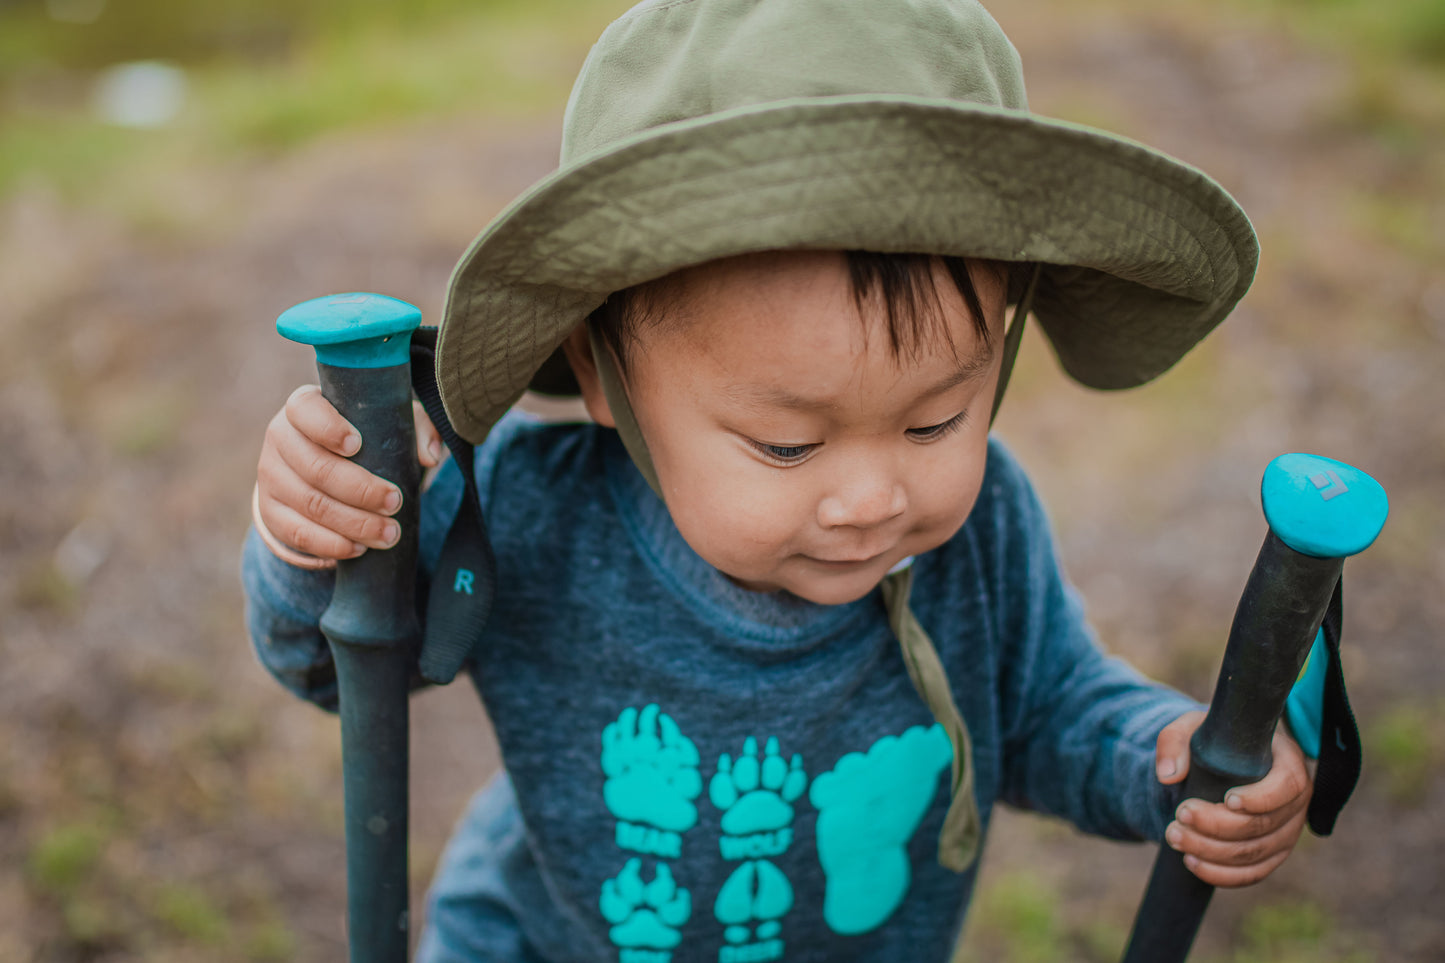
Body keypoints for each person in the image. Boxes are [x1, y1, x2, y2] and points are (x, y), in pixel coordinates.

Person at [242, 0, 1316, 959]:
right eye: (788, 446)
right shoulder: (533, 511)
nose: (870, 500)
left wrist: (1166, 759)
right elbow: (343, 669)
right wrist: (318, 539)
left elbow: (1043, 713)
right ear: (600, 373)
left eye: (933, 418)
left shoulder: (981, 529)